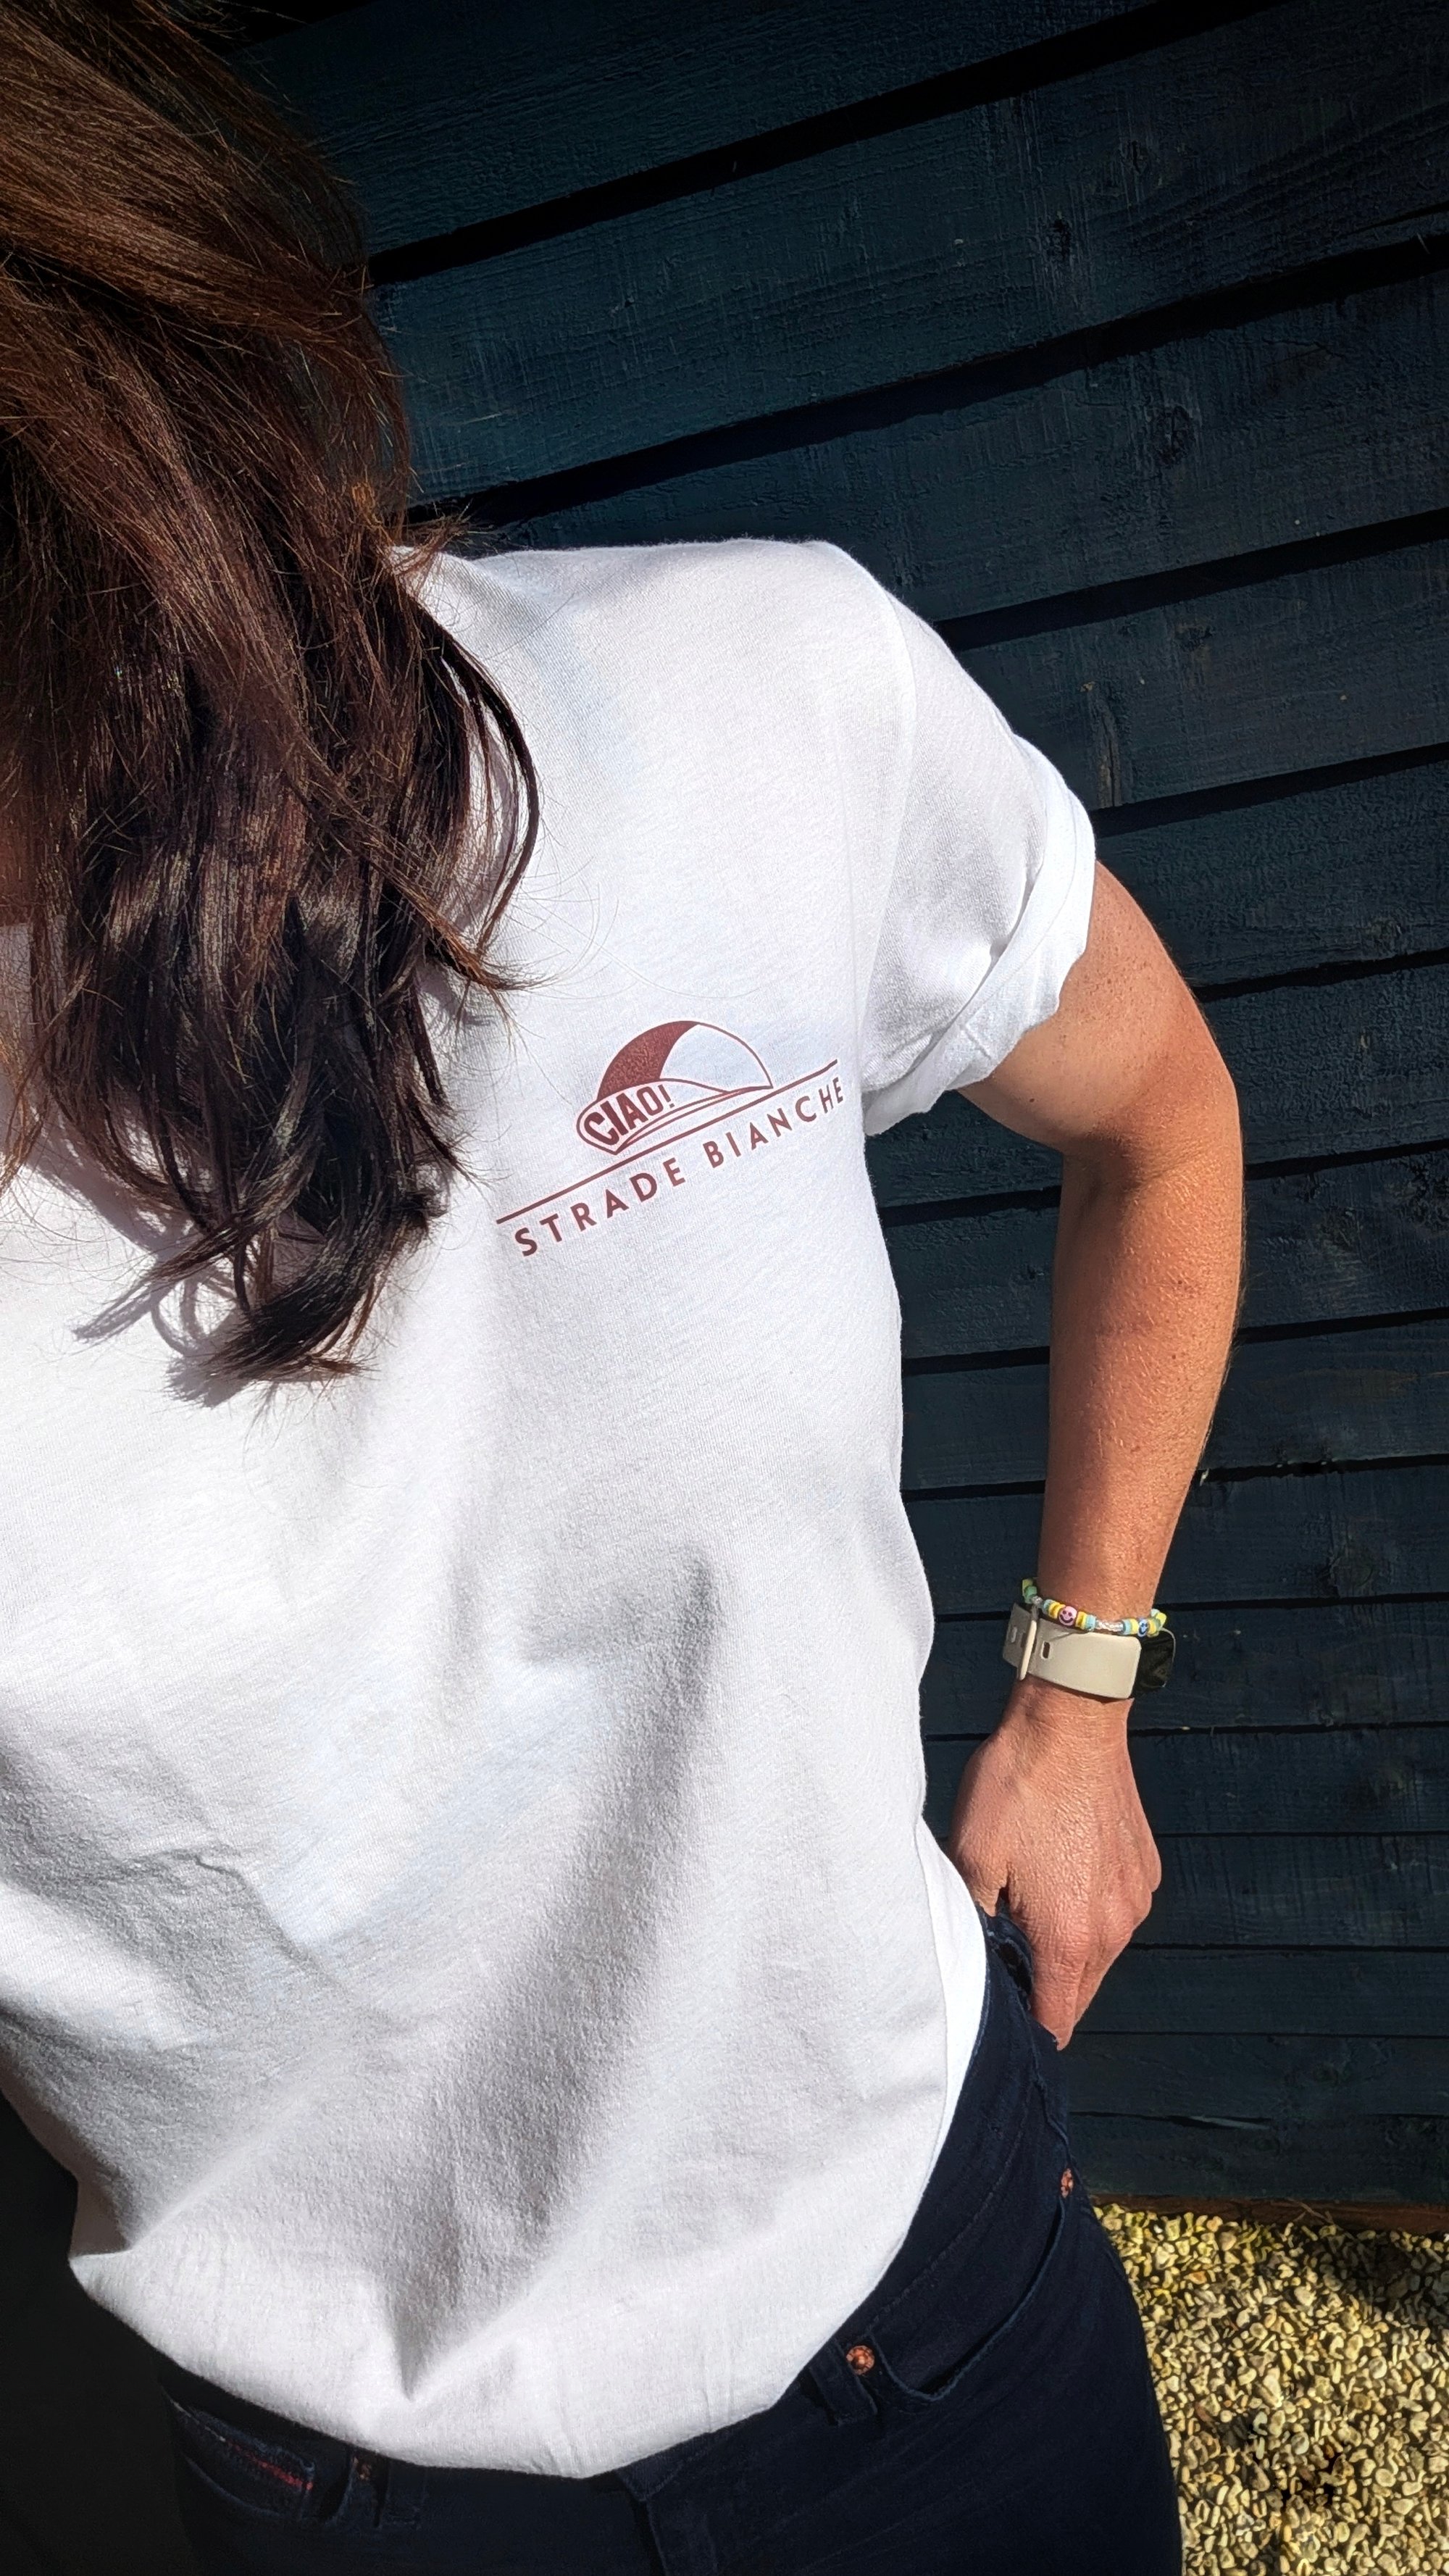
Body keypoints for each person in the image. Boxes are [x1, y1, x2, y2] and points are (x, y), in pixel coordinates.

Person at [0, 6, 1243, 2571]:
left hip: (945, 2323)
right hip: (329, 2495)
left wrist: (1084, 1691)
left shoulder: (736, 702)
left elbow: (1160, 1113)